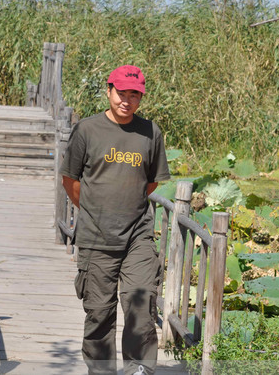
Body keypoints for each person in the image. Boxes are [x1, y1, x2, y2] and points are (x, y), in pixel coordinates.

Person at [59, 65, 171, 375]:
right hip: (96, 236)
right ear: (109, 90)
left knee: (141, 305)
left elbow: (150, 183)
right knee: (99, 313)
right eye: (121, 93)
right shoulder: (87, 130)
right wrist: (96, 210)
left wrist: (126, 208)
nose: (127, 100)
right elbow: (70, 180)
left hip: (137, 234)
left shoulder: (151, 133)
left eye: (134, 95)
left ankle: (139, 369)